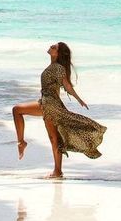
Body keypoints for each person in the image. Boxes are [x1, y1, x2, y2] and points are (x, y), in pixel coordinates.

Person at [12, 41, 106, 178]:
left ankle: (23, 144)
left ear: (58, 53)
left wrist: (78, 99)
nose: (51, 46)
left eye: (54, 47)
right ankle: (57, 171)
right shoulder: (53, 66)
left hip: (50, 104)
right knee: (54, 138)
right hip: (46, 102)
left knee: (18, 111)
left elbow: (67, 85)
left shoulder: (57, 68)